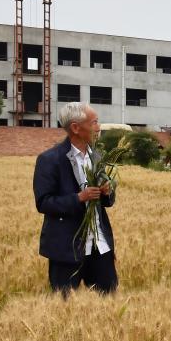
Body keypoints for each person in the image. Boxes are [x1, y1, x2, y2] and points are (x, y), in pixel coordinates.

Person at [32, 102, 118, 294]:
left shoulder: (96, 156)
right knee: (64, 305)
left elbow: (107, 200)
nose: (98, 127)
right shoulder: (49, 159)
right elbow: (43, 202)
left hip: (100, 246)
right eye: (94, 122)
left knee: (109, 302)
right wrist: (79, 198)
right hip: (66, 248)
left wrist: (107, 191)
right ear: (76, 128)